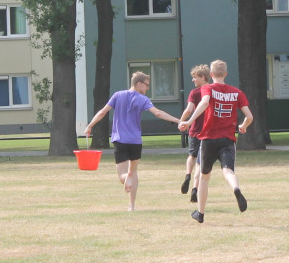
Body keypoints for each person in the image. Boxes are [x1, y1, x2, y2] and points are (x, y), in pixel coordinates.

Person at [83, 71, 183, 210]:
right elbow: (158, 113)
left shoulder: (118, 95)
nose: (147, 88)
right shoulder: (143, 100)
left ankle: (127, 177)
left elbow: (102, 112)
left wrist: (90, 126)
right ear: (139, 83)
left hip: (120, 140)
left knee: (122, 176)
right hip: (135, 141)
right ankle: (131, 205)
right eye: (146, 85)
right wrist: (178, 120)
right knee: (134, 172)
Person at [178, 59, 252, 223]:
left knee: (204, 176)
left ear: (211, 75)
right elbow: (249, 116)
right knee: (228, 170)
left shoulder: (207, 88)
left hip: (209, 139)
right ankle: (236, 188)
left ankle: (201, 213)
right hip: (228, 139)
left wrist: (189, 122)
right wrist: (243, 126)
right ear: (225, 74)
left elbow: (204, 103)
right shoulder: (237, 92)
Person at [177, 64, 212, 202]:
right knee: (200, 162)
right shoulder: (212, 91)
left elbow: (189, 109)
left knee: (192, 156)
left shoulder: (194, 93)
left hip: (195, 130)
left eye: (195, 77)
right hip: (208, 132)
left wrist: (182, 121)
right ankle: (195, 189)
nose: (193, 80)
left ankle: (187, 175)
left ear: (203, 77)